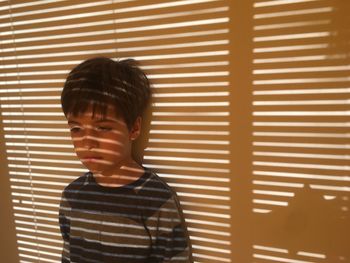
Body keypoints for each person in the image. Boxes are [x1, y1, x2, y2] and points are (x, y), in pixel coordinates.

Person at [59, 57, 193, 262]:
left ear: (134, 128)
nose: (88, 143)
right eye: (76, 129)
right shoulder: (72, 197)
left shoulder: (156, 201)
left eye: (103, 127)